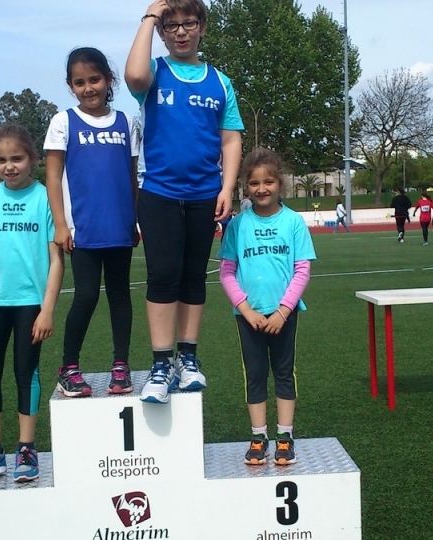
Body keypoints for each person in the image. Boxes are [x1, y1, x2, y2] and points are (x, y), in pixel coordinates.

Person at [126, 0, 244, 404]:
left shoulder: (220, 83)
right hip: (158, 192)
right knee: (163, 276)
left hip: (204, 194)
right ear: (161, 32)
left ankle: (188, 359)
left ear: (202, 27)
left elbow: (230, 139)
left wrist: (227, 188)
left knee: (194, 276)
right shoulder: (154, 72)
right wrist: (149, 17)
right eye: (171, 25)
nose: (180, 31)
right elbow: (133, 74)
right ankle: (161, 364)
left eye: (188, 23)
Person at [0, 124, 65, 482]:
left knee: (26, 371)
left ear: (33, 159)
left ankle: (26, 449)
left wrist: (47, 309)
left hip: (31, 304)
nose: (9, 166)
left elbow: (56, 260)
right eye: (1, 160)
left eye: (17, 158)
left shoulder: (46, 199)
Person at [44, 47, 139, 398]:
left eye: (95, 79)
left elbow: (132, 177)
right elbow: (53, 178)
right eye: (80, 82)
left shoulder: (126, 121)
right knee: (85, 297)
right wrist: (60, 224)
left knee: (120, 295)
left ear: (109, 80)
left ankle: (121, 365)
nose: (88, 88)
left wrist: (134, 220)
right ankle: (69, 367)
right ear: (70, 85)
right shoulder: (63, 121)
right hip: (82, 229)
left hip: (119, 227)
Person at [218, 148, 315, 466]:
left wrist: (283, 311)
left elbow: (302, 270)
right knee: (255, 374)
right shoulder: (237, 225)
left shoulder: (293, 222)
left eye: (268, 182)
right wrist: (246, 309)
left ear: (280, 183)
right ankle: (258, 437)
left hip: (283, 315)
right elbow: (226, 271)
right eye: (254, 183)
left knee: (284, 373)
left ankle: (285, 437)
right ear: (246, 186)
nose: (262, 189)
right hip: (249, 317)